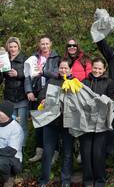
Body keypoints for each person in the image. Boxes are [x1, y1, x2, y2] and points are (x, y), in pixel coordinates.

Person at [79, 57, 114, 187]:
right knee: (86, 152)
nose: (97, 70)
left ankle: (100, 180)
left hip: (101, 123)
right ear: (91, 67)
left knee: (98, 153)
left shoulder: (109, 82)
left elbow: (112, 100)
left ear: (104, 69)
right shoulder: (84, 82)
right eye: (95, 67)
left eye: (100, 68)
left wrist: (100, 101)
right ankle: (88, 180)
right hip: (86, 123)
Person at [38, 59, 75, 187]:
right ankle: (44, 180)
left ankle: (66, 180)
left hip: (67, 123)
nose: (63, 70)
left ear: (70, 69)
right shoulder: (51, 81)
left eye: (66, 68)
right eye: (61, 68)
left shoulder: (75, 83)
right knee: (47, 152)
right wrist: (43, 100)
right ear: (58, 69)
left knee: (67, 152)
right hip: (51, 122)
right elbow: (41, 95)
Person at [24, 36, 60, 162]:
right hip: (36, 92)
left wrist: (43, 71)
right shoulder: (33, 58)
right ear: (39, 45)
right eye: (42, 44)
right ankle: (39, 151)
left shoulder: (57, 58)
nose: (44, 46)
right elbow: (27, 76)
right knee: (38, 123)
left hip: (52, 92)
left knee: (51, 123)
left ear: (51, 44)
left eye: (47, 43)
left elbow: (57, 74)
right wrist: (29, 91)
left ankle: (54, 152)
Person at [0, 37, 28, 144]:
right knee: (10, 124)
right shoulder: (4, 59)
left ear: (18, 47)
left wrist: (18, 74)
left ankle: (21, 149)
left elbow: (30, 75)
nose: (13, 49)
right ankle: (10, 148)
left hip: (22, 96)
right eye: (11, 47)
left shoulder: (24, 59)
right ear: (7, 47)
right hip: (9, 98)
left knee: (22, 125)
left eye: (15, 47)